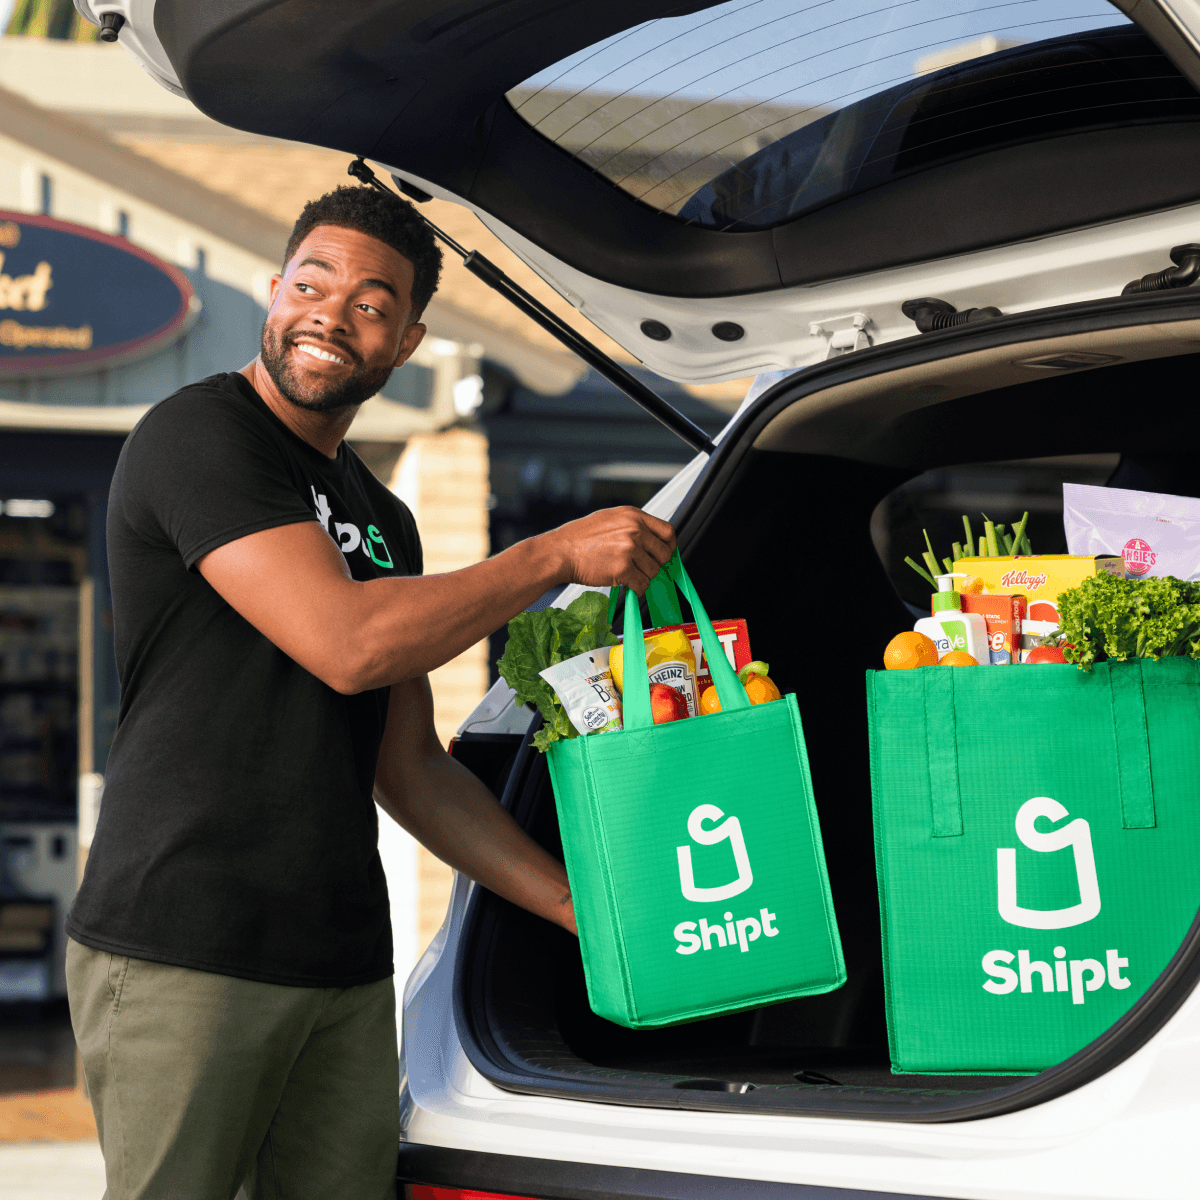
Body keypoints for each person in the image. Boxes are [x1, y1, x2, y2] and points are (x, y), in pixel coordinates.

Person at [65, 184, 675, 1200]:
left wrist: (585, 910)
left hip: (340, 963)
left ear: (406, 342)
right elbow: (347, 646)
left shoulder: (384, 514)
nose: (331, 314)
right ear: (273, 292)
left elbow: (412, 772)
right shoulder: (199, 437)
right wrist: (551, 555)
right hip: (184, 943)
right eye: (313, 283)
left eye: (371, 303)